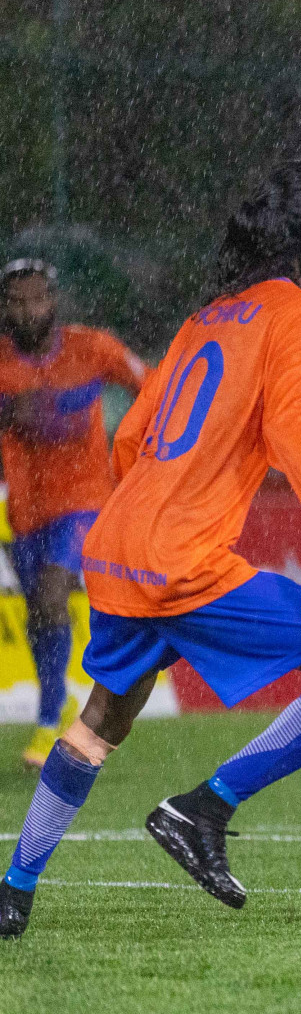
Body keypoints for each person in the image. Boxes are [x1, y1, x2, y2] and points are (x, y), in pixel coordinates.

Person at [0, 161, 301, 938]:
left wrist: (144, 514)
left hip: (118, 548)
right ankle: (204, 808)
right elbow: (287, 427)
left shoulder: (206, 317)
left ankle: (13, 889)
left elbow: (129, 434)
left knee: (98, 725)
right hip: (181, 562)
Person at [0, 258, 145, 770]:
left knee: (51, 594)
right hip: (25, 511)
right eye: (16, 301)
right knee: (41, 616)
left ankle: (48, 725)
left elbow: (153, 386)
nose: (27, 309)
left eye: (36, 298)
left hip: (85, 501)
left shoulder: (93, 347)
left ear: (53, 301)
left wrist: (146, 453)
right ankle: (53, 703)